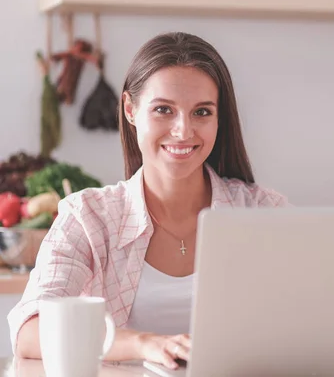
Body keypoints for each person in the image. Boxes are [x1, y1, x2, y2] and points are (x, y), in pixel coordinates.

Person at [7, 32, 288, 370]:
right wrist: (143, 343)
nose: (183, 130)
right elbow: (29, 331)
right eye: (163, 110)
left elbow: (311, 317)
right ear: (130, 109)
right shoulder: (88, 217)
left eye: (201, 112)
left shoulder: (263, 212)